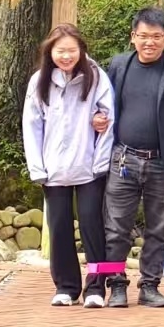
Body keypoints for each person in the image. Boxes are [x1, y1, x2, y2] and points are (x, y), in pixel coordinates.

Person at [102, 9, 164, 310]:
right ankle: (116, 285)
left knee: (158, 229)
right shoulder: (119, 65)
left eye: (156, 36)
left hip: (163, 163)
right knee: (116, 228)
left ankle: (150, 285)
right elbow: (103, 104)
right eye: (143, 36)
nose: (149, 42)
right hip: (123, 158)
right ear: (133, 37)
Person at [23, 25, 114, 309]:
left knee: (92, 226)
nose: (66, 56)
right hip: (54, 169)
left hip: (89, 167)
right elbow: (31, 126)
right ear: (49, 51)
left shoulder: (96, 77)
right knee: (59, 227)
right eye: (60, 51)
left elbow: (108, 117)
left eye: (72, 50)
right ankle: (66, 286)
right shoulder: (39, 81)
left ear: (81, 50)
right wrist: (37, 168)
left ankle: (96, 286)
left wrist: (100, 161)